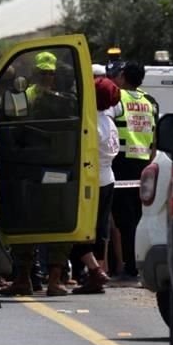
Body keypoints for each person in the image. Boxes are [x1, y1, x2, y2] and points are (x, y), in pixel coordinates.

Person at [71, 77, 121, 294]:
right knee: (100, 229)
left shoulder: (91, 123)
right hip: (108, 178)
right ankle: (97, 271)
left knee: (78, 228)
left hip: (91, 180)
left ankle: (94, 271)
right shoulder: (109, 122)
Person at [109, 60, 157, 280]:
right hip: (144, 163)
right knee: (139, 216)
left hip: (121, 164)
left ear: (123, 77)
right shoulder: (150, 102)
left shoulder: (118, 98)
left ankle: (130, 266)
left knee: (125, 219)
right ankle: (140, 262)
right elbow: (154, 139)